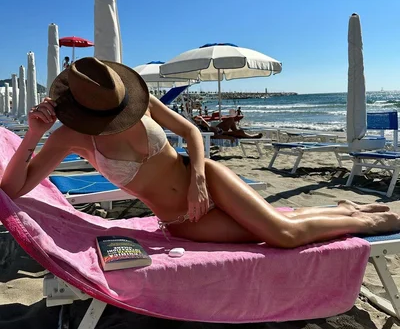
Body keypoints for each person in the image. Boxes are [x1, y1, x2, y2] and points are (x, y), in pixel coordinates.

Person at [2, 57, 399, 248]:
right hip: (182, 219)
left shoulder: (137, 103)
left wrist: (198, 181)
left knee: (282, 232)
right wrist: (35, 133)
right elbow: (13, 188)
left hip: (207, 179)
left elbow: (190, 130)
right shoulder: (69, 136)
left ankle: (369, 220)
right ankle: (349, 212)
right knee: (279, 231)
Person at [193, 115, 263, 142]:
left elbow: (207, 126)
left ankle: (237, 133)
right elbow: (215, 136)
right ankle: (250, 137)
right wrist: (227, 137)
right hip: (215, 133)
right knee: (240, 132)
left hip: (215, 130)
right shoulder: (197, 127)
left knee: (231, 119)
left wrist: (202, 121)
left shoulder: (196, 124)